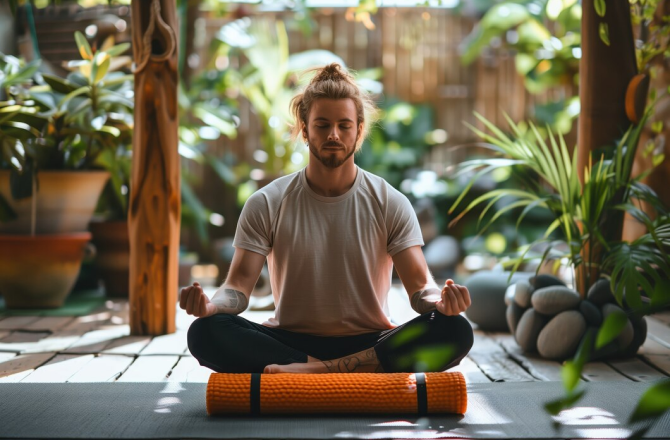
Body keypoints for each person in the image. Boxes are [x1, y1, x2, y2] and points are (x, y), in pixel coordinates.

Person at [182, 63, 473, 374]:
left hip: (371, 340)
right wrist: (212, 305)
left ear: (359, 130)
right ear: (305, 129)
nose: (333, 135)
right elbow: (237, 287)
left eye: (344, 125)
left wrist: (440, 301)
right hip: (290, 342)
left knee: (455, 329)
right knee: (205, 331)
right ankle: (341, 369)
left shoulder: (390, 201)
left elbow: (419, 288)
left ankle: (314, 371)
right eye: (322, 125)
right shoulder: (267, 202)